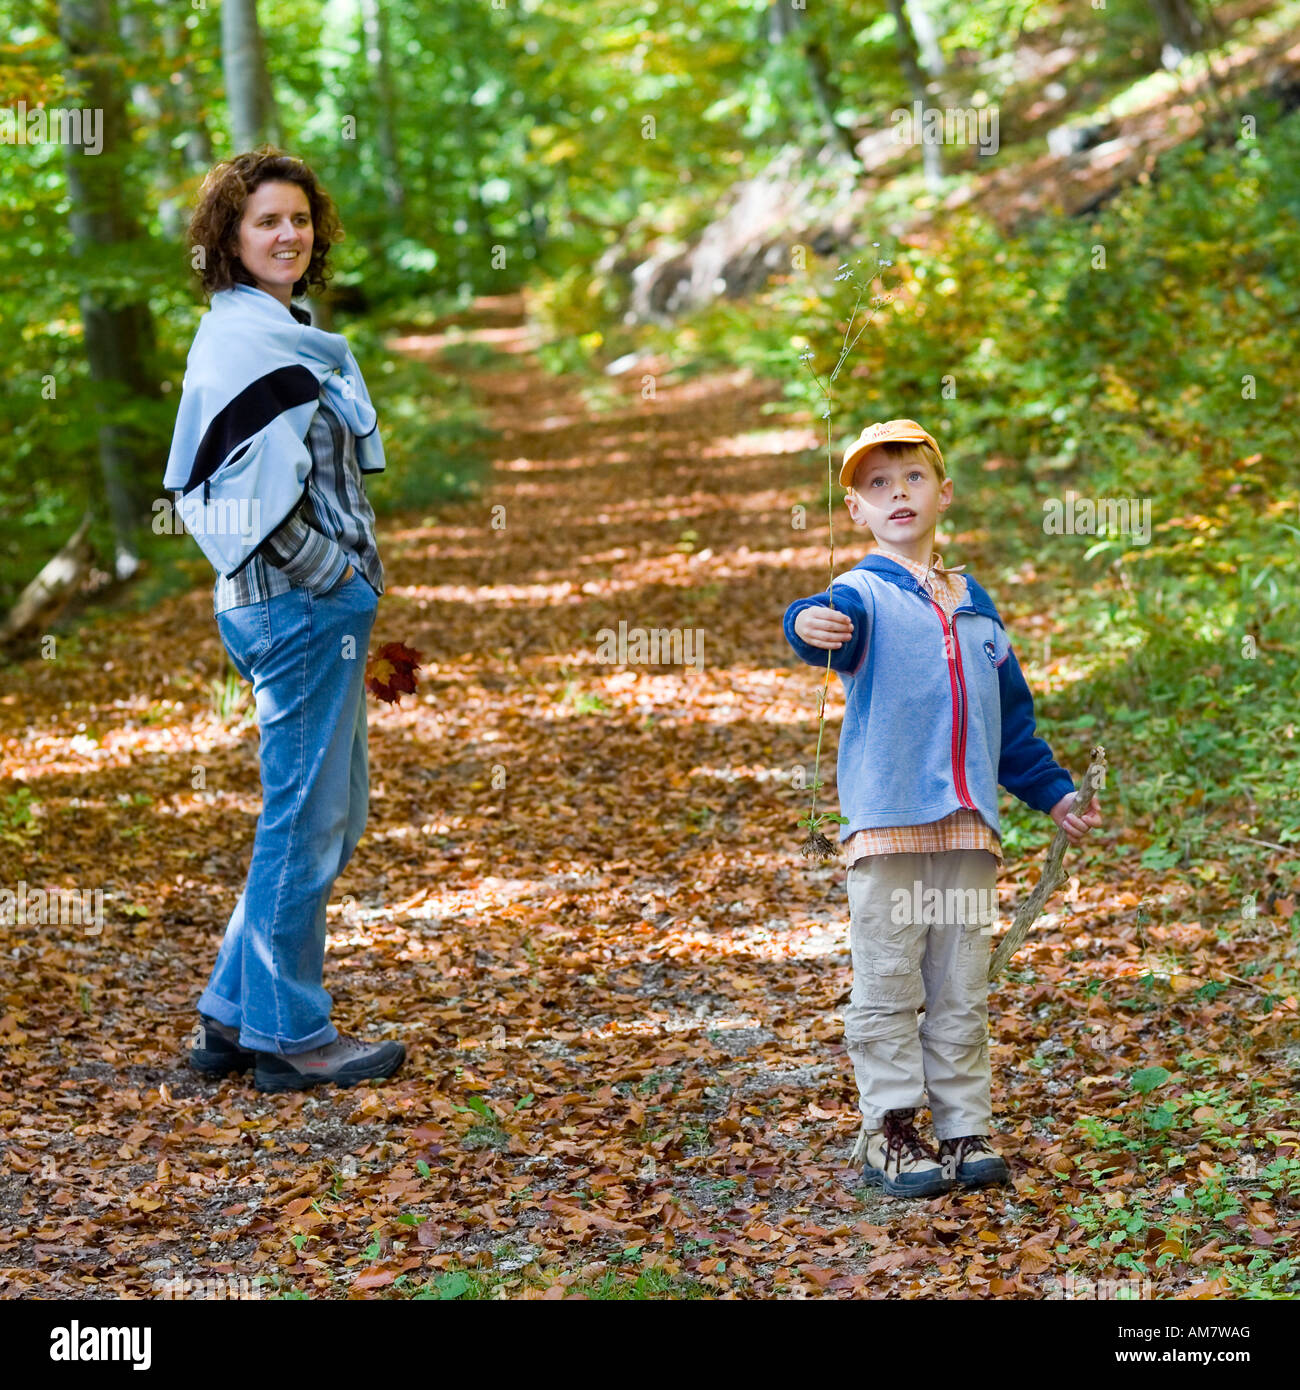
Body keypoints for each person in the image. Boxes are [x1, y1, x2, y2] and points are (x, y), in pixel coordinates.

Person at [783, 419, 1102, 1196]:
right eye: (878, 485)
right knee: (890, 979)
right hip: (890, 824)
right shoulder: (859, 592)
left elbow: (1010, 723)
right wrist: (805, 622)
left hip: (968, 826)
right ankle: (888, 1132)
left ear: (944, 494)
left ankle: (962, 1127)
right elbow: (823, 626)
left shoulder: (975, 603)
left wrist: (1053, 793)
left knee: (960, 983)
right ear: (855, 510)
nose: (898, 494)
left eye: (913, 479)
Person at [163, 147, 405, 1092]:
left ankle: (233, 1012)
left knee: (325, 819)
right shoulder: (243, 341)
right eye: (265, 220)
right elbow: (237, 495)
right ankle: (292, 1037)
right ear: (230, 236)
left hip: (314, 605)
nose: (287, 234)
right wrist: (332, 571)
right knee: (304, 820)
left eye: (299, 219)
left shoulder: (285, 330)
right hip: (296, 602)